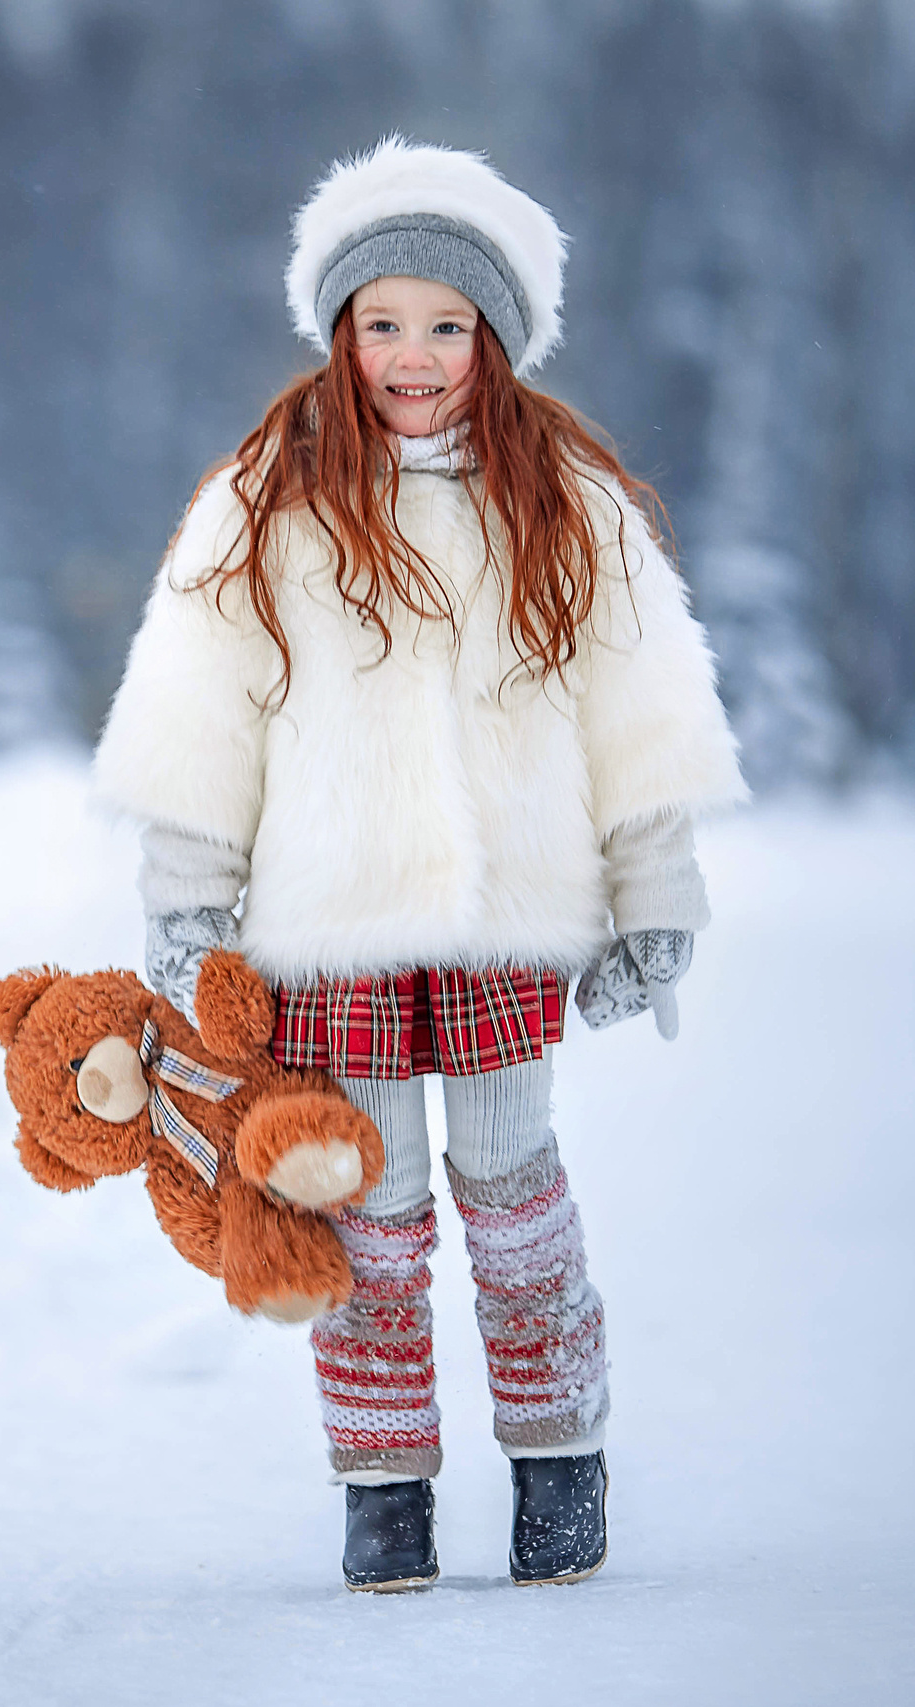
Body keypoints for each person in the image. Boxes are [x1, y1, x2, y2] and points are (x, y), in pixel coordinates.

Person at [90, 138, 747, 1591]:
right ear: (338, 330)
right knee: (365, 1210)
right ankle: (382, 1484)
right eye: (382, 323)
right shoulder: (269, 499)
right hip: (335, 928)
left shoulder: (564, 496)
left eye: (446, 324)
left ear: (496, 336)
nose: (413, 355)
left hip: (512, 920)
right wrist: (191, 911)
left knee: (514, 1186)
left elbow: (638, 713)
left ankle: (559, 1457)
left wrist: (654, 898)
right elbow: (202, 719)